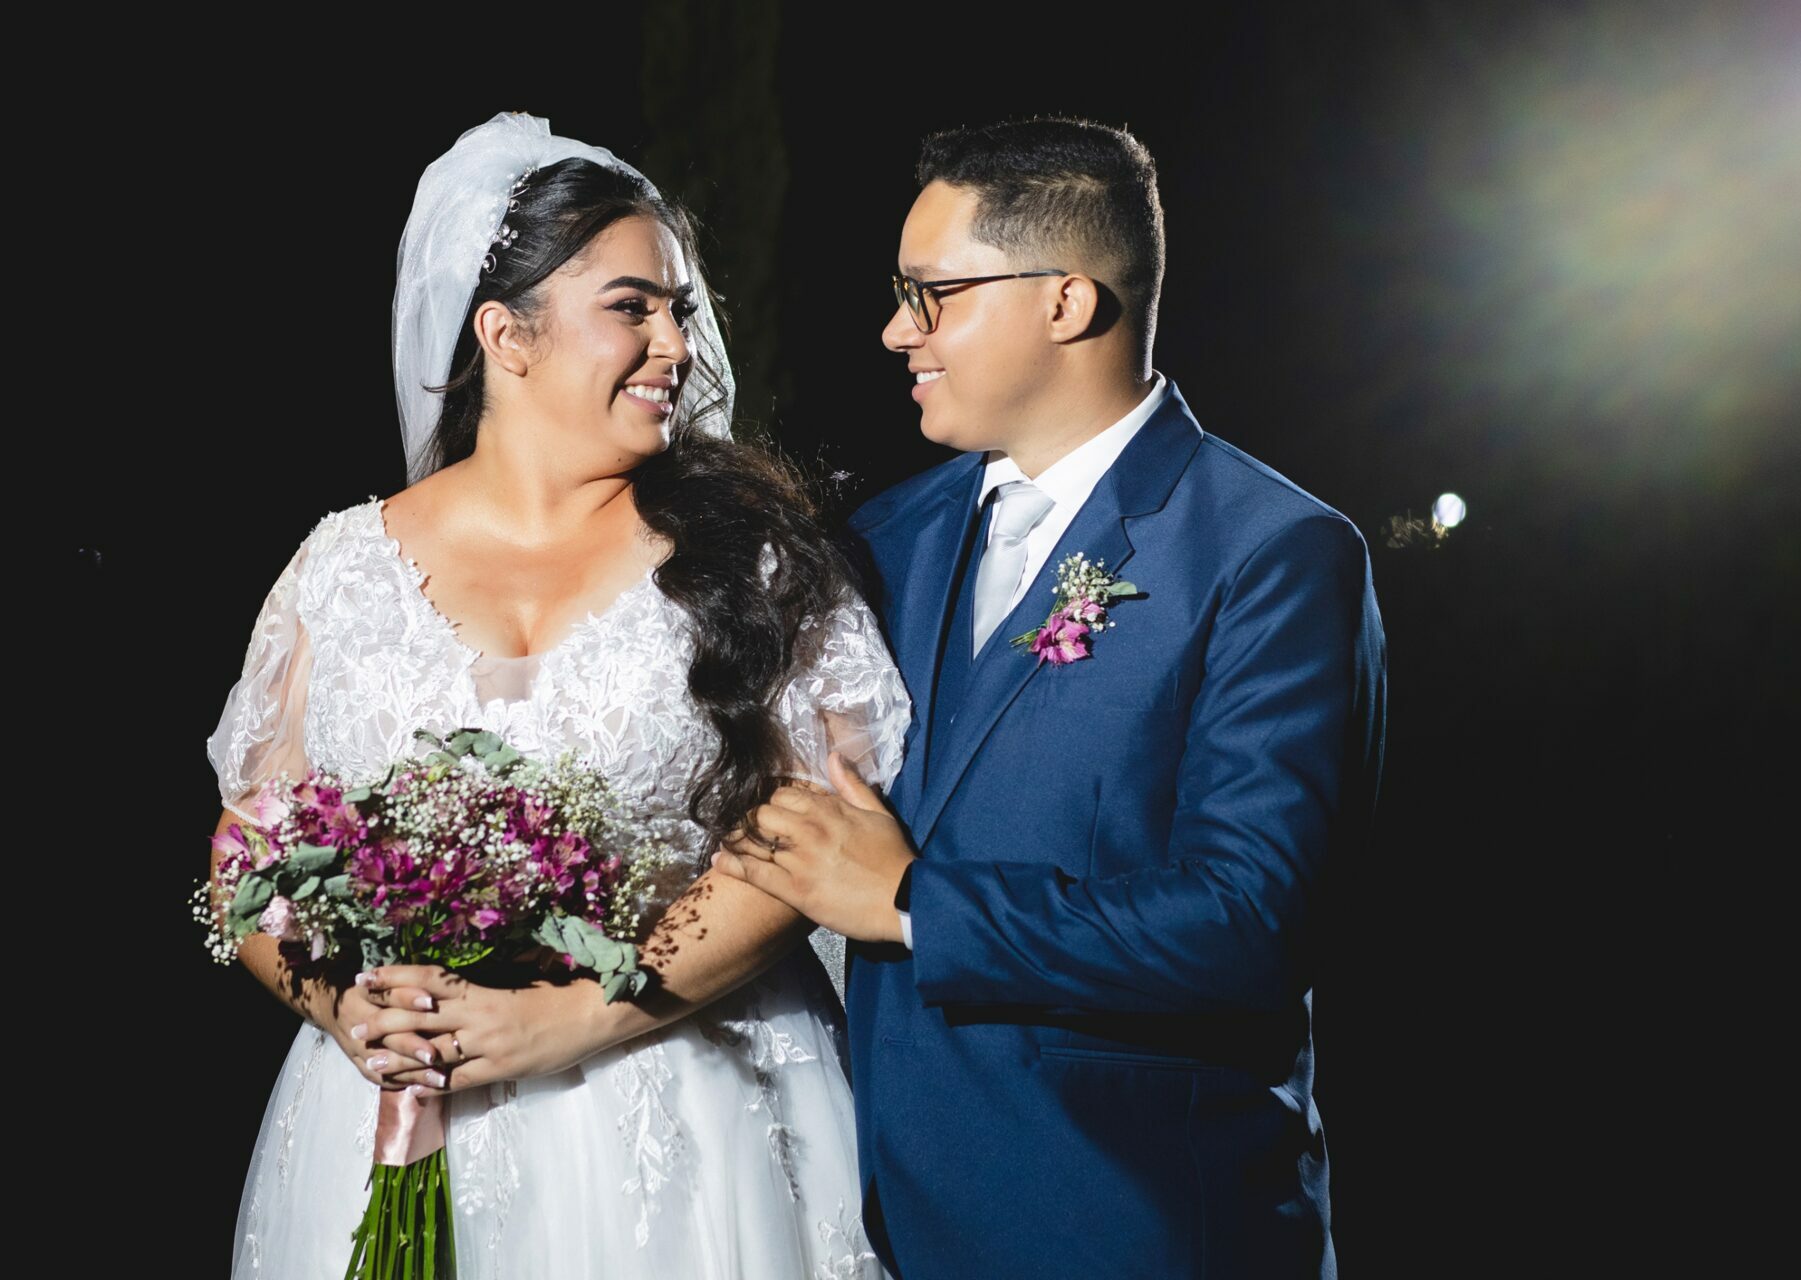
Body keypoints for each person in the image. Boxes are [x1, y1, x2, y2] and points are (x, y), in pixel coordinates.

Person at [205, 111, 905, 1279]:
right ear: (506, 333)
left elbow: (807, 837)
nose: (675, 344)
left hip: (681, 1111)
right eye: (634, 307)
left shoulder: (752, 559)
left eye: (681, 309)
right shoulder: (341, 566)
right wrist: (343, 1004)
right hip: (386, 1110)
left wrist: (576, 1014)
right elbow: (249, 843)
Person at [713, 116, 1388, 1277]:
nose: (897, 330)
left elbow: (1248, 925)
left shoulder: (1271, 552)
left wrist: (915, 901)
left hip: (1130, 1224)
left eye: (932, 295)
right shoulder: (882, 540)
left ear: (1066, 302)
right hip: (875, 1222)